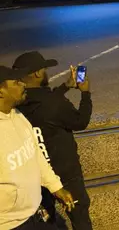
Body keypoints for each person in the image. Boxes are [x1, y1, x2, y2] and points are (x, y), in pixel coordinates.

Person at [13, 52, 93, 230]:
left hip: (37, 175)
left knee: (47, 219)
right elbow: (80, 121)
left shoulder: (15, 104)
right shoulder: (55, 104)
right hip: (65, 174)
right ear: (37, 73)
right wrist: (85, 93)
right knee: (80, 217)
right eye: (44, 69)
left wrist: (65, 86)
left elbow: (42, 100)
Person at [0, 66, 76, 230]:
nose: (23, 85)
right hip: (10, 224)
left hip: (34, 214)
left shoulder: (19, 116)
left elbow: (36, 155)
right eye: (16, 82)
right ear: (1, 92)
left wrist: (56, 187)